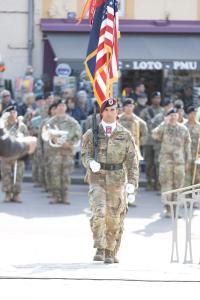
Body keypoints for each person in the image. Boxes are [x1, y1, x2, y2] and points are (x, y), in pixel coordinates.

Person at [81, 98, 139, 263]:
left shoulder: (125, 135)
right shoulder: (92, 133)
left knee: (115, 216)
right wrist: (90, 162)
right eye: (106, 110)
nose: (109, 113)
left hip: (117, 180)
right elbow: (85, 154)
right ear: (101, 112)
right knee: (99, 212)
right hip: (97, 178)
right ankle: (100, 247)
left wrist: (132, 184)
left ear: (117, 113)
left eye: (113, 110)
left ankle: (111, 250)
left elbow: (132, 161)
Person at [152, 108, 191, 218]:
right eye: (171, 115)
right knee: (167, 185)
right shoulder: (164, 127)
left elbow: (188, 146)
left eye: (175, 115)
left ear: (178, 116)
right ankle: (168, 209)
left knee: (178, 185)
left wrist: (188, 161)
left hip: (179, 162)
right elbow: (154, 135)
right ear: (168, 117)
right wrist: (164, 122)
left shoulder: (183, 129)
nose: (173, 117)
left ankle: (175, 209)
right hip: (166, 162)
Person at [47, 99, 82, 204]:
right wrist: (58, 141)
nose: (61, 108)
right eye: (59, 106)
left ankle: (65, 196)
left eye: (63, 106)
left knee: (66, 175)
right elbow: (48, 135)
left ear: (66, 108)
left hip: (67, 153)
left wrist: (70, 144)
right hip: (55, 153)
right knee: (55, 174)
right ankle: (55, 196)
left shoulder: (72, 122)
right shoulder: (51, 122)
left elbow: (78, 134)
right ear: (56, 109)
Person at [119, 98, 147, 206]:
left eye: (131, 106)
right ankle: (121, 198)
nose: (129, 108)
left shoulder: (138, 121)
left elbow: (145, 134)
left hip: (134, 152)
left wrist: (139, 144)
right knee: (120, 175)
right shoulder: (118, 120)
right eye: (127, 106)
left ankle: (130, 198)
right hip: (120, 152)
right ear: (123, 107)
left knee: (133, 175)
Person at [1, 105, 29, 202]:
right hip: (6, 155)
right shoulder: (3, 126)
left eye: (14, 112)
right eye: (10, 113)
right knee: (6, 174)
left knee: (18, 175)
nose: (13, 114)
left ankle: (16, 194)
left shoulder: (22, 126)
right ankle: (8, 194)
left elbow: (27, 139)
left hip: (19, 154)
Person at [140, 91, 163, 191]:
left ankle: (158, 184)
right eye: (155, 98)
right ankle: (149, 183)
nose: (157, 100)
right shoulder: (145, 111)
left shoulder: (163, 111)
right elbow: (141, 125)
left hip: (159, 141)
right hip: (148, 141)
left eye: (158, 98)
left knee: (158, 163)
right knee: (149, 163)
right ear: (152, 99)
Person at [185, 106, 200, 186]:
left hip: (197, 156)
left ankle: (196, 197)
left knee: (197, 178)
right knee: (186, 178)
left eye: (195, 113)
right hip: (186, 156)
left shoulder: (199, 126)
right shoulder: (183, 126)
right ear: (188, 114)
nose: (193, 115)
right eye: (191, 114)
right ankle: (186, 197)